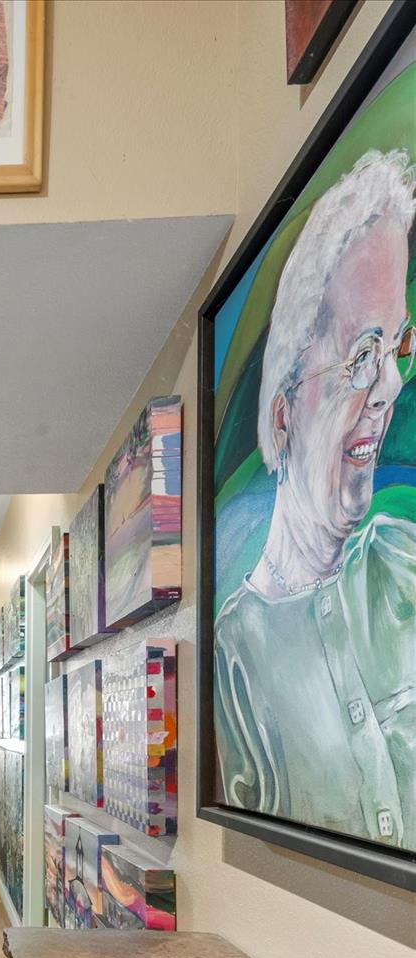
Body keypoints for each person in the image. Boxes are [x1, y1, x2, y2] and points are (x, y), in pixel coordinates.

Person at [214, 148, 416, 851]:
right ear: (281, 413)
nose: (387, 388)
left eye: (397, 347)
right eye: (361, 355)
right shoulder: (234, 649)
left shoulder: (403, 561)